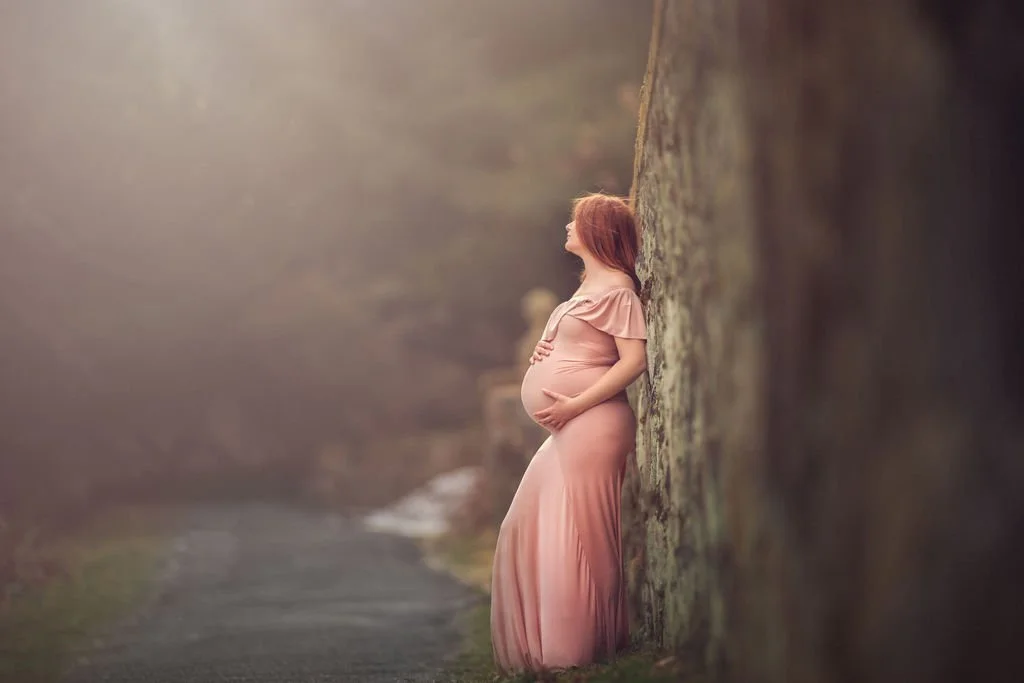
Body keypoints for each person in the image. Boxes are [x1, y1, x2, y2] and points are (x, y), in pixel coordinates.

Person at [490, 192, 648, 674]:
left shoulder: (619, 287)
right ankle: (561, 644)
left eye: (576, 221)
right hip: (570, 427)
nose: (567, 227)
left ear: (598, 231)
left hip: (593, 422)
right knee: (530, 523)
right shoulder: (586, 288)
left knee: (580, 534)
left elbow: (634, 361)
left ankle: (577, 650)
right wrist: (546, 351)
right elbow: (577, 343)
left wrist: (576, 402)